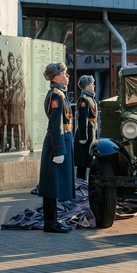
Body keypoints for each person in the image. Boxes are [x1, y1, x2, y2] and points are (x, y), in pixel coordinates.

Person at [38, 62, 74, 233]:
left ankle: (53, 220)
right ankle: (50, 222)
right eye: (65, 73)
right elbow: (54, 125)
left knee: (55, 184)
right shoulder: (56, 95)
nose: (67, 76)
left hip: (61, 140)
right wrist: (59, 150)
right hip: (56, 143)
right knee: (51, 185)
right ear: (56, 77)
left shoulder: (60, 93)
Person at [74, 75, 98, 180]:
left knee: (88, 159)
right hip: (86, 133)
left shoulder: (90, 98)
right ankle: (81, 184)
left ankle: (84, 183)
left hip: (90, 130)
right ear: (86, 86)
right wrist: (83, 137)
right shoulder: (84, 99)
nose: (94, 86)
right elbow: (82, 118)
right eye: (92, 84)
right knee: (82, 162)